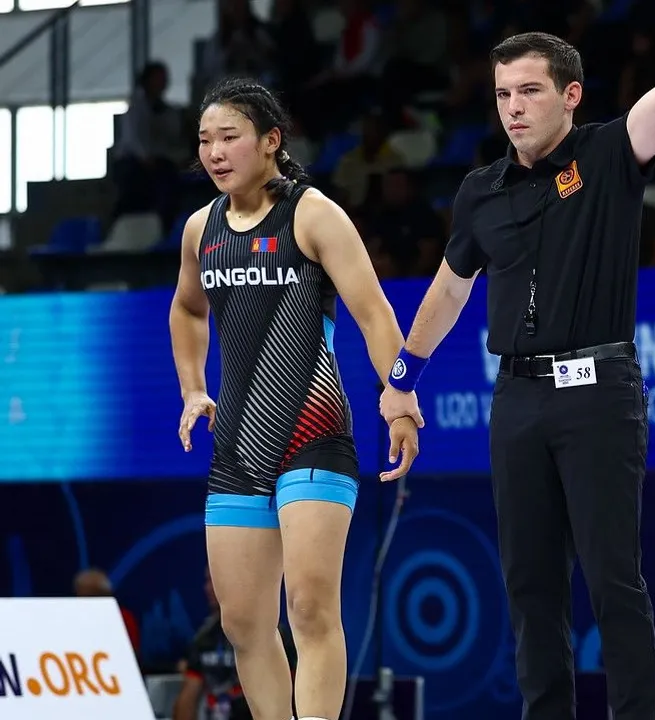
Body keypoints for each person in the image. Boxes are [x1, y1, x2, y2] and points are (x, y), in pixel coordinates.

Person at [376, 10, 655, 719]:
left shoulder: (609, 152)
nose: (514, 108)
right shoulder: (480, 190)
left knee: (613, 579)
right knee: (529, 583)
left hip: (599, 394)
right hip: (517, 399)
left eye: (530, 91)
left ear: (571, 94)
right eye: (503, 94)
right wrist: (403, 378)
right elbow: (450, 289)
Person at [168, 77, 421, 720]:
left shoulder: (312, 215)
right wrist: (193, 388)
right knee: (242, 622)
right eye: (205, 140)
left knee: (309, 608)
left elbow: (374, 312)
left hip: (314, 435)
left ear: (270, 140)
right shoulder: (201, 229)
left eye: (229, 137)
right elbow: (188, 309)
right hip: (236, 448)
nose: (214, 152)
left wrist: (399, 397)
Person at [173, 567, 299, 720]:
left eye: (214, 580)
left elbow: (297, 689)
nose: (208, 588)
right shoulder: (203, 639)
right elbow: (188, 697)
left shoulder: (275, 636)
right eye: (208, 581)